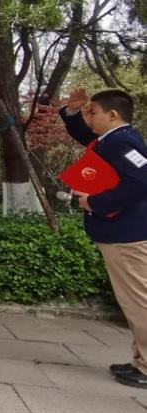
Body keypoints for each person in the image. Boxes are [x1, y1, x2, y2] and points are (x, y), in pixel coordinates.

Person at [61, 88, 147, 388]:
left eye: (93, 112)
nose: (89, 118)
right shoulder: (111, 140)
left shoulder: (125, 141)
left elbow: (142, 181)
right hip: (122, 234)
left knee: (139, 302)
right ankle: (141, 362)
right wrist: (71, 112)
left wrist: (94, 203)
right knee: (134, 301)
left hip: (128, 235)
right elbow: (86, 137)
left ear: (113, 115)